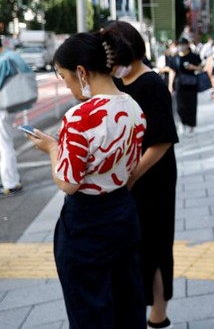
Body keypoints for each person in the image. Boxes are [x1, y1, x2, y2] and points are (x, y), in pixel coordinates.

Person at [26, 30, 147, 328]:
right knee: (127, 304)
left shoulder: (80, 116)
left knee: (90, 312)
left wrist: (53, 148)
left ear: (81, 72)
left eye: (65, 77)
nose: (67, 86)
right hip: (123, 214)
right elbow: (130, 165)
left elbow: (68, 182)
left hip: (86, 225)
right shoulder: (134, 107)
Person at [105, 22, 179, 329]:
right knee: (132, 246)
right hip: (128, 178)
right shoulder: (116, 81)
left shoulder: (151, 85)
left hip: (153, 177)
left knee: (156, 243)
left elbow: (161, 141)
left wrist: (132, 176)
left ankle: (158, 316)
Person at [0, 41, 33, 196]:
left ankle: (10, 183)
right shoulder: (12, 56)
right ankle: (12, 180)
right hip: (11, 106)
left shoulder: (3, 60)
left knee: (4, 145)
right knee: (6, 144)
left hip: (3, 108)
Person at [171, 37, 201, 135]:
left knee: (191, 105)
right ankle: (182, 123)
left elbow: (201, 67)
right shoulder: (175, 57)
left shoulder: (193, 56)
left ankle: (191, 125)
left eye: (183, 44)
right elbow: (172, 71)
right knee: (180, 106)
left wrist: (194, 67)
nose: (181, 46)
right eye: (179, 44)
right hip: (179, 84)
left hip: (191, 84)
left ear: (187, 45)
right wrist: (170, 85)